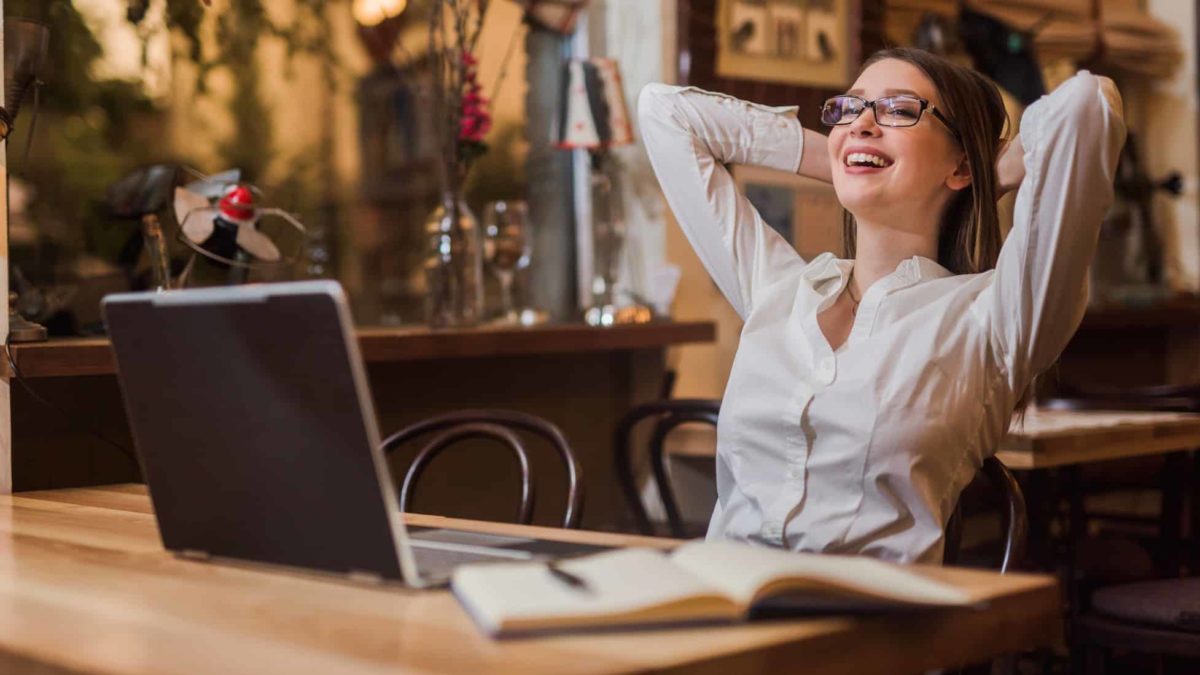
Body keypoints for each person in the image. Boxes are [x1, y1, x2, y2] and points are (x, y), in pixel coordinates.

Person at [638, 47, 1126, 563]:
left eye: (898, 110)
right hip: (722, 605)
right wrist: (842, 157)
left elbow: (1089, 105)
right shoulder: (780, 292)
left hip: (873, 625)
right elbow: (664, 112)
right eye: (849, 108)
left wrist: (988, 170)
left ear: (958, 163)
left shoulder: (993, 317)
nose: (863, 122)